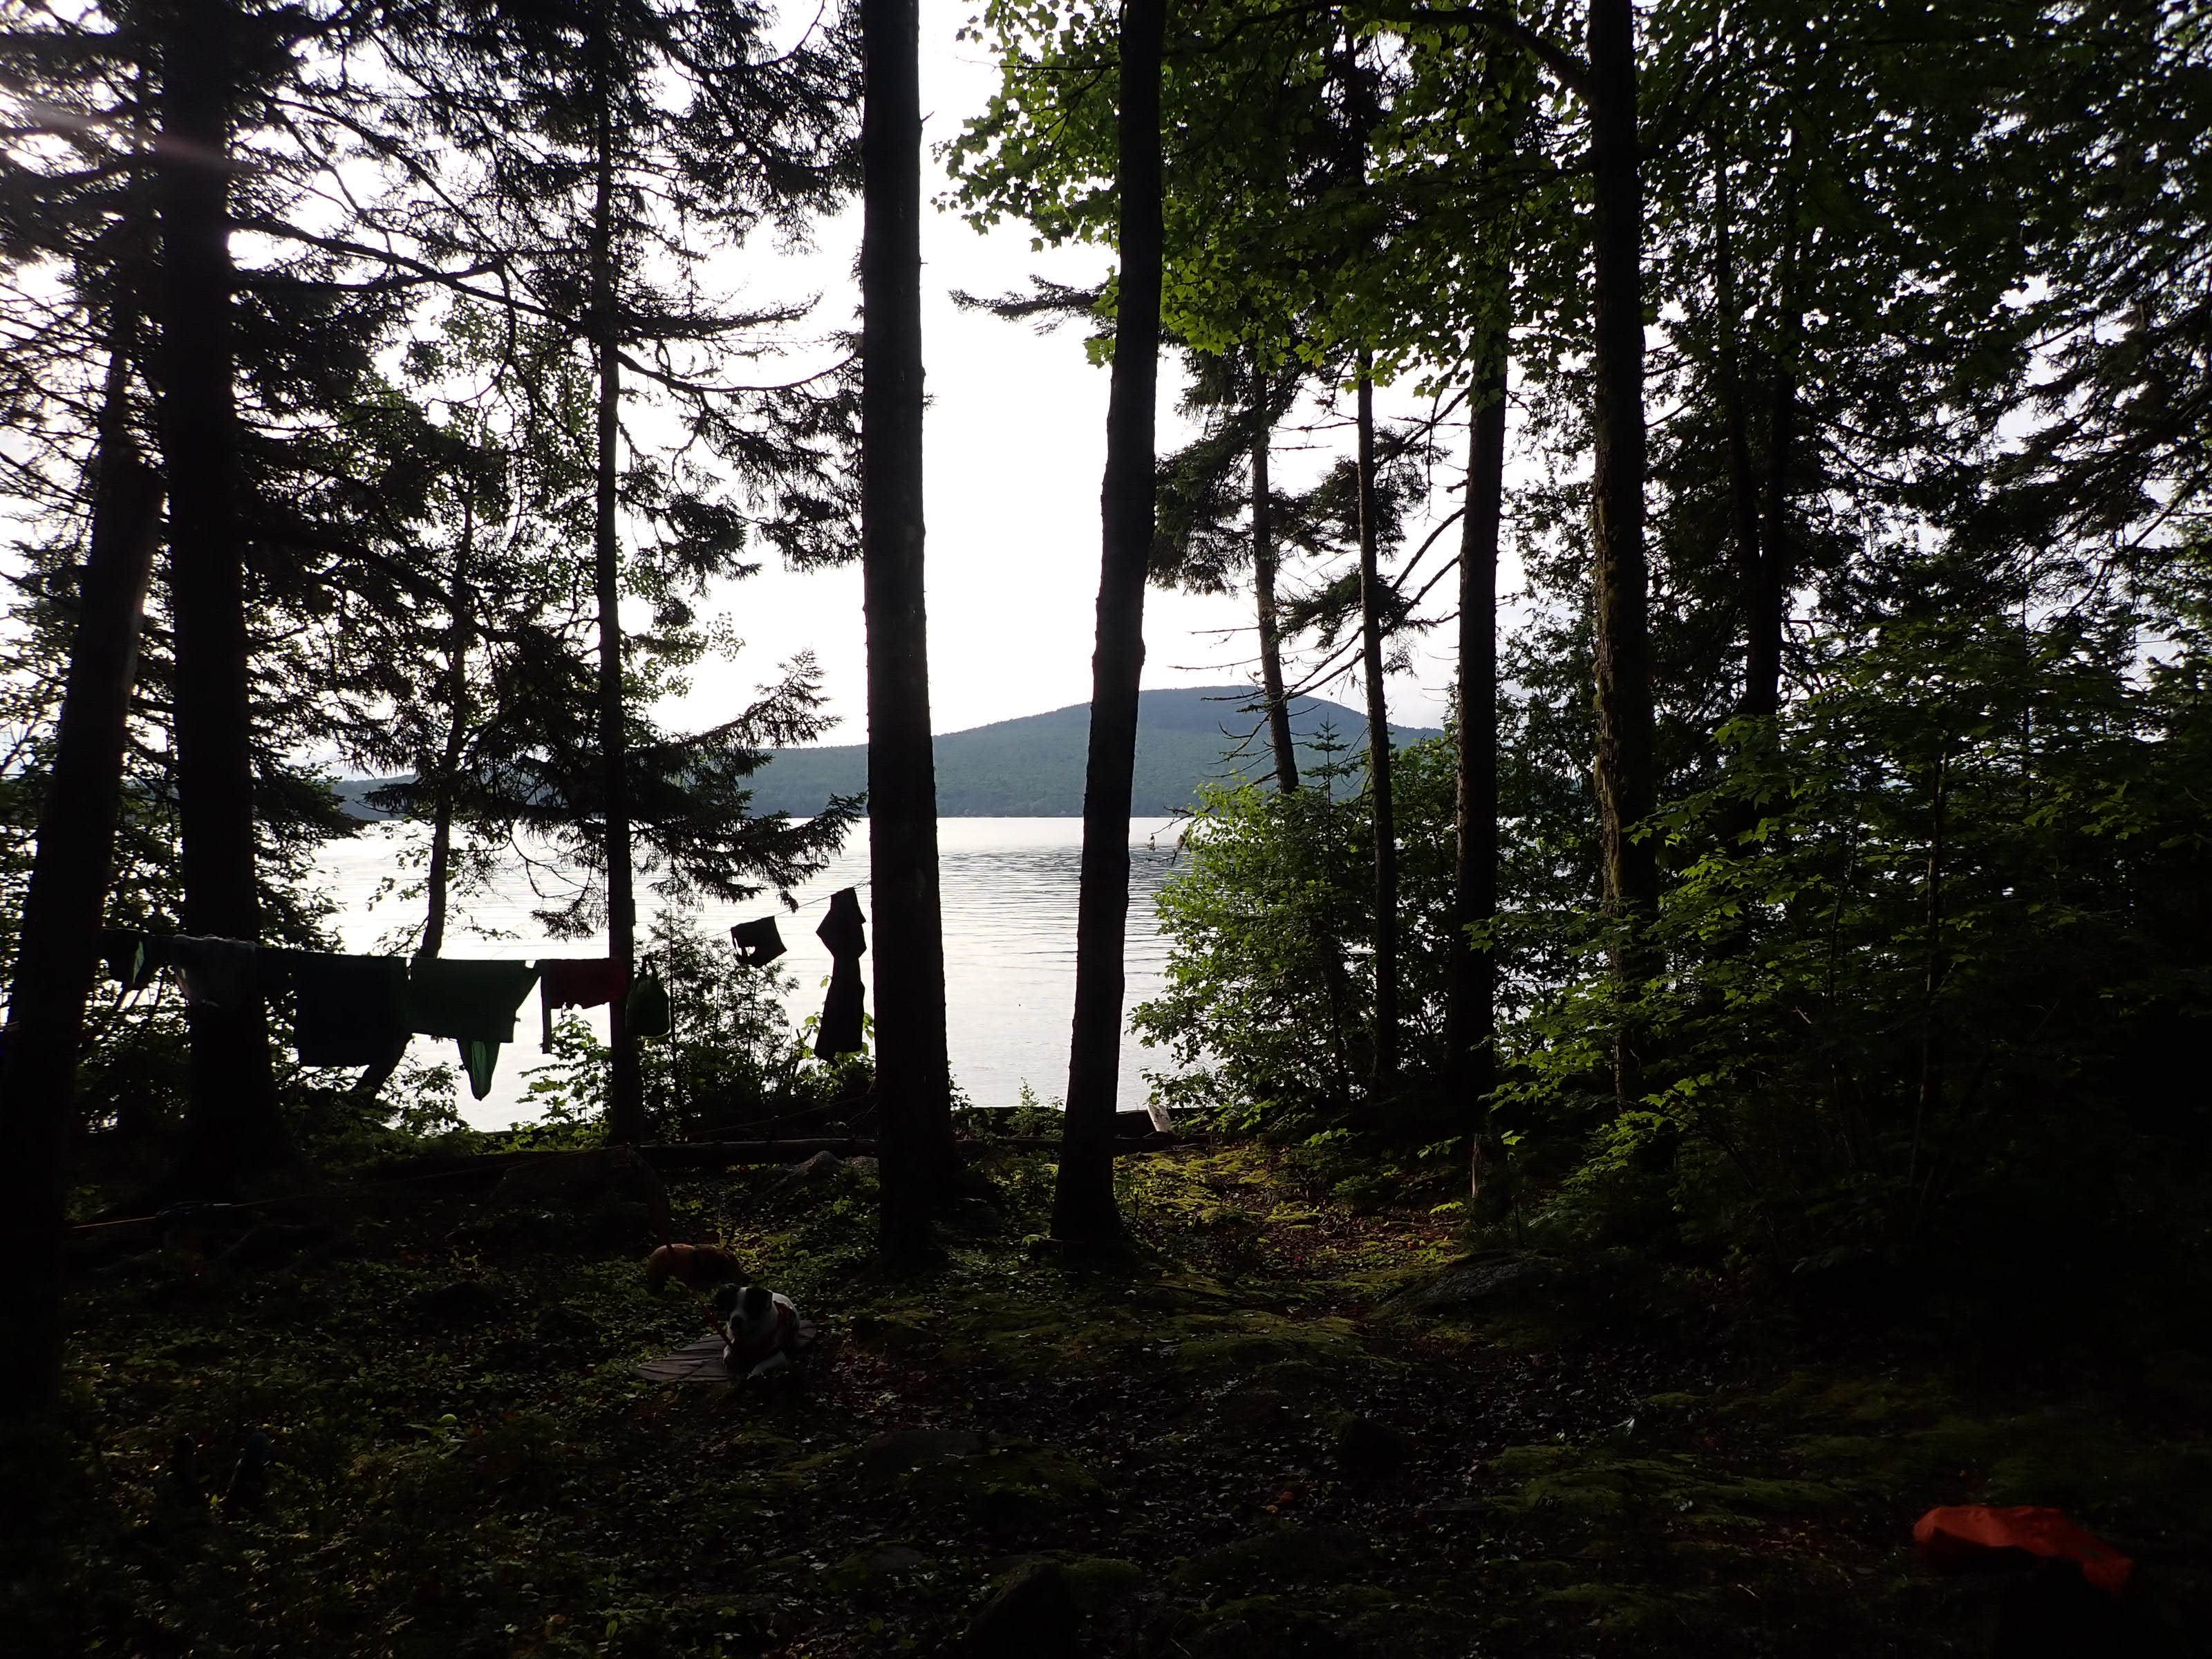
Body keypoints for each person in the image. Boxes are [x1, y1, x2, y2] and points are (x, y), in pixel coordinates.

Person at [714, 1284, 810, 1381]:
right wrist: (728, 1355)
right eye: (733, 1307)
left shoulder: (774, 1327)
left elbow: (780, 1357)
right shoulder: (740, 1326)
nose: (737, 1314)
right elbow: (730, 1347)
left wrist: (758, 1371)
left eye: (747, 1308)